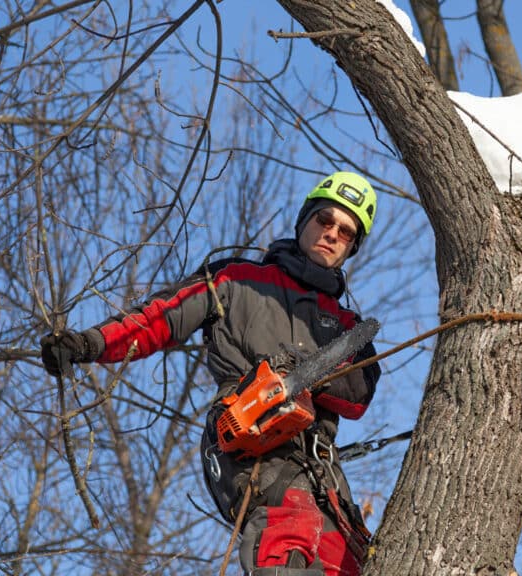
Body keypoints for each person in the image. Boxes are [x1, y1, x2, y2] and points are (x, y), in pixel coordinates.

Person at [40, 171, 381, 576]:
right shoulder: (237, 279)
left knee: (348, 557)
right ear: (305, 219)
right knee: (288, 530)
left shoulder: (347, 325)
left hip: (321, 467)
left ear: (352, 247)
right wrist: (88, 344)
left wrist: (308, 372)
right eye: (325, 220)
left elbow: (358, 395)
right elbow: (158, 319)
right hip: (249, 439)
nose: (331, 234)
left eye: (345, 232)